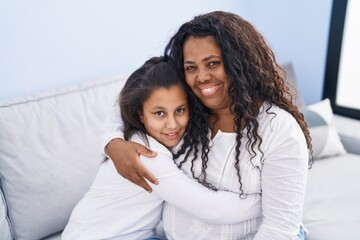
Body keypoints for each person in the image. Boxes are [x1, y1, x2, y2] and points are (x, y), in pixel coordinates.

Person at [104, 11, 312, 240]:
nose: (201, 77)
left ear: (240, 63)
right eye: (191, 67)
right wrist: (112, 142)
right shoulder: (185, 110)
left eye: (213, 63)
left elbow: (280, 229)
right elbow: (129, 101)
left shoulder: (279, 130)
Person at [62, 56, 262, 240]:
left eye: (180, 110)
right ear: (140, 114)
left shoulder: (157, 137)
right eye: (159, 113)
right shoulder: (147, 154)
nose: (172, 124)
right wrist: (266, 200)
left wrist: (111, 139)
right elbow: (210, 208)